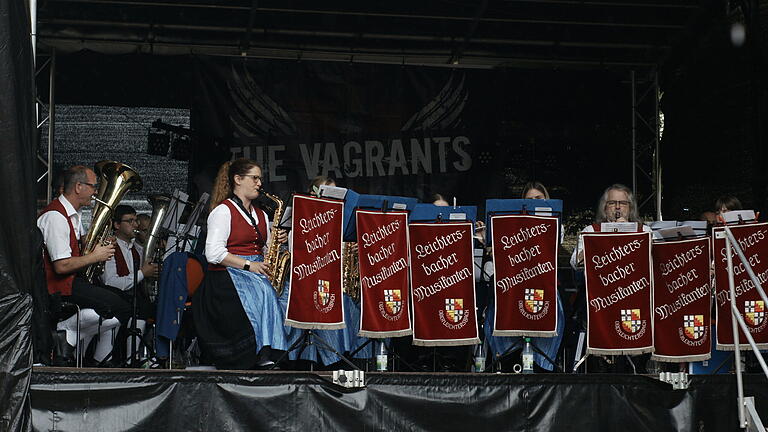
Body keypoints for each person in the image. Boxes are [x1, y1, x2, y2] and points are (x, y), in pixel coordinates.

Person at [193, 158, 288, 369]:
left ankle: (271, 351)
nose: (259, 184)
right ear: (238, 179)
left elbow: (265, 250)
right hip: (227, 274)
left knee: (285, 294)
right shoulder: (222, 211)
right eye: (254, 178)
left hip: (256, 270)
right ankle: (257, 353)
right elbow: (213, 253)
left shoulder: (262, 214)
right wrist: (249, 265)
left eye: (260, 179)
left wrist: (279, 241)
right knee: (263, 291)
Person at [37, 165, 132, 365]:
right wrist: (96, 256)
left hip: (71, 282)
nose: (96, 192)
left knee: (124, 302)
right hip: (57, 287)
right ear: (79, 187)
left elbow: (79, 251)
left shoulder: (73, 215)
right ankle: (68, 331)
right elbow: (61, 266)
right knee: (119, 308)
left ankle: (72, 338)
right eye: (93, 187)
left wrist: (98, 247)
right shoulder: (56, 217)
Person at [482, 181, 565, 372]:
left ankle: (542, 365)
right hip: (513, 284)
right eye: (530, 201)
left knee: (557, 311)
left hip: (543, 283)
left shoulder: (556, 224)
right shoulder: (510, 226)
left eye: (539, 199)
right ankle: (507, 361)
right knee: (496, 309)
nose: (535, 203)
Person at [99, 205, 159, 362]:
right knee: (141, 306)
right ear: (117, 225)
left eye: (136, 221)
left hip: (130, 298)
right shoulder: (109, 247)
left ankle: (140, 356)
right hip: (112, 297)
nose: (135, 225)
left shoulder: (136, 250)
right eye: (130, 221)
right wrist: (142, 273)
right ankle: (130, 357)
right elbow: (110, 282)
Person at [570, 183, 651, 269]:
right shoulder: (590, 231)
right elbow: (574, 263)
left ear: (630, 208)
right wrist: (596, 242)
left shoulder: (645, 231)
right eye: (612, 203)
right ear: (604, 207)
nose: (617, 207)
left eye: (623, 203)